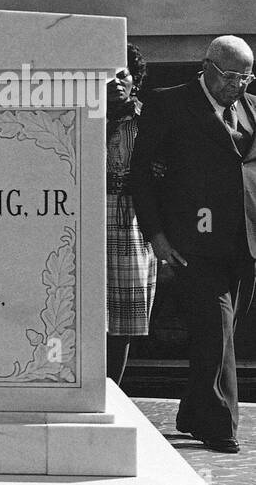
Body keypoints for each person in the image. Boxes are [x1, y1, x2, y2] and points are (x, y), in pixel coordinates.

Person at [131, 35, 256, 453]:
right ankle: (221, 428)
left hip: (244, 245)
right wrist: (156, 237)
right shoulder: (168, 104)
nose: (236, 85)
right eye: (229, 76)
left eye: (245, 76)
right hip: (192, 244)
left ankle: (192, 413)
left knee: (219, 336)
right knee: (215, 332)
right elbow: (142, 177)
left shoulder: (251, 108)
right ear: (207, 67)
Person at [106, 45, 155, 385]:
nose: (115, 83)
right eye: (108, 75)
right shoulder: (85, 117)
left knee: (123, 315)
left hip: (133, 220)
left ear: (135, 80)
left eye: (122, 75)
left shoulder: (150, 118)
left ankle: (114, 389)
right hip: (92, 215)